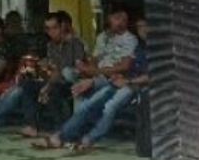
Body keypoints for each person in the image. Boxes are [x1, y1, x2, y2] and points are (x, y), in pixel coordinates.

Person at [0, 11, 86, 138]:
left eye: (54, 28)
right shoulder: (51, 45)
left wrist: (47, 85)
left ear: (62, 27)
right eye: (48, 29)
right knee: (26, 85)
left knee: (40, 90)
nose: (51, 32)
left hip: (69, 83)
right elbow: (52, 68)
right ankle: (30, 125)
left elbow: (64, 70)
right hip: (52, 80)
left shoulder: (75, 43)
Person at [36, 17, 149, 151]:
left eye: (145, 26)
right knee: (88, 104)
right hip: (121, 81)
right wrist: (118, 77)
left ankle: (89, 139)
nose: (143, 30)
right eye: (139, 27)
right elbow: (127, 67)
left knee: (110, 107)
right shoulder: (140, 48)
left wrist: (128, 81)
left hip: (138, 86)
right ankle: (59, 137)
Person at [70, 4, 138, 99]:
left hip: (114, 77)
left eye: (124, 20)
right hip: (99, 74)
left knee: (82, 88)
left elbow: (124, 67)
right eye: (117, 18)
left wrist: (95, 72)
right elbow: (94, 59)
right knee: (71, 73)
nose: (120, 23)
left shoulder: (130, 39)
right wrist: (91, 71)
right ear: (109, 18)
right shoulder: (102, 37)